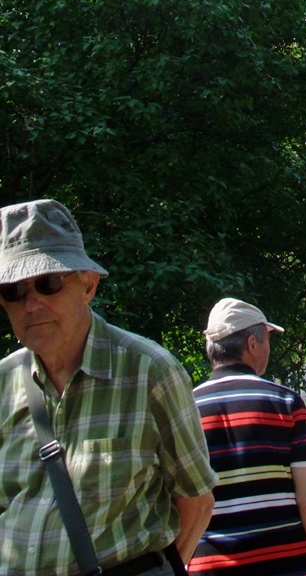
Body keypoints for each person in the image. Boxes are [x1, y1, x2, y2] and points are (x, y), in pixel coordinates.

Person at [0, 198, 217, 576]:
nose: (31, 304)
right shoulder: (4, 382)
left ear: (88, 285)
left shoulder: (149, 371)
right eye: (13, 291)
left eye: (48, 283)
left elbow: (196, 501)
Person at [189, 297, 306, 576]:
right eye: (267, 340)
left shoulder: (186, 407)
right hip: (285, 565)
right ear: (252, 345)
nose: (269, 349)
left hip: (209, 567)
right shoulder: (285, 402)